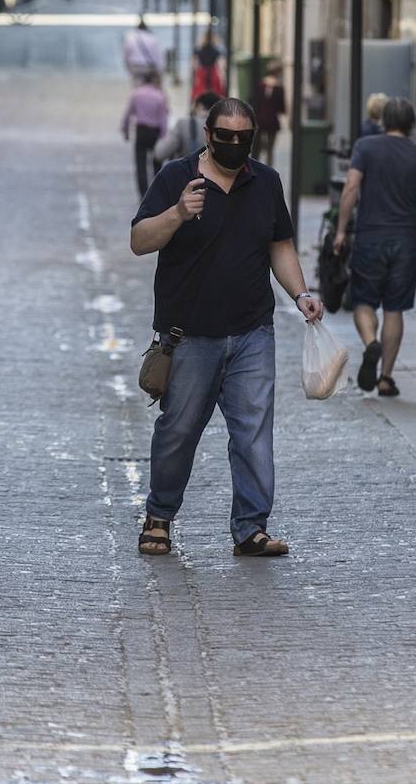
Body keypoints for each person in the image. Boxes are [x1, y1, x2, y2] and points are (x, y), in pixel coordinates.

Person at [131, 97, 324, 558]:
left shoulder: (266, 182)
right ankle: (159, 516)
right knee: (178, 431)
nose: (234, 145)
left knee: (254, 432)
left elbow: (280, 245)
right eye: (225, 137)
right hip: (189, 335)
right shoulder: (177, 177)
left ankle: (251, 528)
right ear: (207, 134)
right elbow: (139, 240)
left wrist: (300, 294)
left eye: (243, 138)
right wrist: (178, 213)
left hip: (252, 330)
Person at [333, 97, 416, 397]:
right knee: (395, 309)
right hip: (405, 242)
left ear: (383, 121)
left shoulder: (366, 147)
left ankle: (370, 343)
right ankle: (386, 379)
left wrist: (341, 231)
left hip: (370, 237)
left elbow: (351, 188)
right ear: (412, 125)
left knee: (363, 302)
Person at [121, 70, 169, 197]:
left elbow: (128, 114)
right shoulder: (160, 96)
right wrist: (165, 136)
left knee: (140, 165)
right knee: (157, 163)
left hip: (141, 131)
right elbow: (163, 119)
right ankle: (157, 192)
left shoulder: (136, 94)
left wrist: (125, 131)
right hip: (155, 132)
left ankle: (143, 195)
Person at [153, 90, 221, 167]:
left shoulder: (183, 124)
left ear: (199, 106)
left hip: (186, 176)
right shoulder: (224, 127)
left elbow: (160, 153)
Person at [255, 60, 287, 165]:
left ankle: (256, 166)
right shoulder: (279, 87)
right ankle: (268, 168)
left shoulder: (260, 84)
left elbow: (254, 101)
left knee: (258, 147)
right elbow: (282, 108)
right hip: (272, 121)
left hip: (260, 120)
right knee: (270, 149)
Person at [123, 17, 165, 84]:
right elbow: (158, 56)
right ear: (146, 28)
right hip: (149, 68)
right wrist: (160, 70)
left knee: (137, 87)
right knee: (152, 87)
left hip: (135, 67)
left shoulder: (130, 38)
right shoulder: (152, 38)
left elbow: (126, 55)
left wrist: (128, 69)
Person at [191, 28, 225, 100]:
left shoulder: (199, 49)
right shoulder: (215, 50)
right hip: (211, 72)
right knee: (214, 93)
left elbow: (194, 63)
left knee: (200, 93)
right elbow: (221, 64)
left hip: (203, 72)